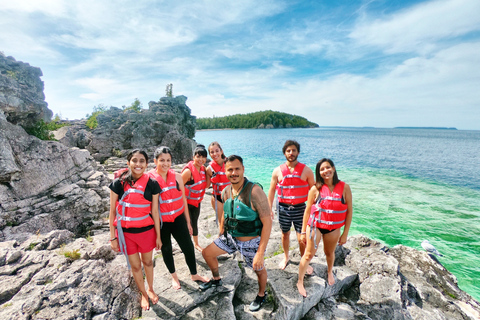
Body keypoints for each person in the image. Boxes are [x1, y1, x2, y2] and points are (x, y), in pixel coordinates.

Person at [200, 155, 272, 312]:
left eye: (237, 169)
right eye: (230, 169)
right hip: (231, 238)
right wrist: (222, 229)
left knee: (258, 269)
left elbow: (268, 222)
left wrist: (260, 252)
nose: (234, 172)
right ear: (224, 171)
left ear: (243, 169)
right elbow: (225, 212)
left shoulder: (255, 191)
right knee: (207, 253)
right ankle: (216, 279)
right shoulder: (226, 191)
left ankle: (262, 294)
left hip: (250, 242)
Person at [148, 146, 208, 290]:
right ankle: (174, 276)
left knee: (188, 247)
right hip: (162, 222)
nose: (165, 163)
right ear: (155, 161)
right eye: (162, 160)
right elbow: (153, 210)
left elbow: (183, 200)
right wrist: (156, 233)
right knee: (166, 249)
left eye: (168, 160)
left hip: (179, 218)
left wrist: (188, 221)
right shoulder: (150, 180)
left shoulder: (177, 177)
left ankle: (194, 274)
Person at [109, 149, 162, 311]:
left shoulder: (152, 184)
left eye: (142, 161)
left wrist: (158, 236)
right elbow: (112, 211)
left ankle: (151, 288)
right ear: (128, 163)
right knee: (135, 266)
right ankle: (143, 294)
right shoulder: (118, 184)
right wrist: (113, 237)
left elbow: (154, 211)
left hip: (146, 232)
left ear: (147, 164)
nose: (138, 164)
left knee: (147, 262)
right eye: (134, 160)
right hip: (126, 235)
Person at [297, 158, 353, 297]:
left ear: (333, 168)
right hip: (315, 226)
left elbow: (349, 211)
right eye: (322, 169)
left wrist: (345, 233)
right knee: (308, 254)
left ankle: (329, 272)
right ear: (319, 173)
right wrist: (303, 232)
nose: (325, 171)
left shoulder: (344, 187)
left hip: (333, 229)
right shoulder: (315, 189)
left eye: (328, 168)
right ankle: (299, 281)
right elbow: (307, 211)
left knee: (329, 253)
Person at [267, 140, 315, 271]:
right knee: (285, 234)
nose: (291, 153)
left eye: (294, 150)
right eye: (288, 150)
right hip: (283, 208)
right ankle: (286, 257)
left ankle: (304, 260)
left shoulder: (307, 171)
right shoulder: (277, 171)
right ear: (284, 153)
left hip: (301, 209)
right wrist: (269, 208)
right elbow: (271, 191)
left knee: (302, 238)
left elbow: (315, 192)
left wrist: (316, 210)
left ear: (298, 152)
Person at [181, 144, 209, 252]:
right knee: (187, 225)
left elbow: (206, 186)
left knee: (195, 222)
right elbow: (178, 187)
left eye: (203, 157)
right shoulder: (188, 172)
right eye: (198, 156)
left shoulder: (203, 169)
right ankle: (186, 245)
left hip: (196, 202)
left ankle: (196, 244)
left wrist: (209, 173)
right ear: (193, 157)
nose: (200, 159)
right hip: (186, 203)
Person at [206, 141, 230, 230]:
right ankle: (222, 240)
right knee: (221, 223)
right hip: (217, 198)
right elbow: (207, 185)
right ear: (209, 154)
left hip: (231, 196)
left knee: (234, 220)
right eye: (212, 152)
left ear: (221, 151)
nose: (215, 154)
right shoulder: (209, 169)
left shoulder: (229, 163)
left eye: (217, 151)